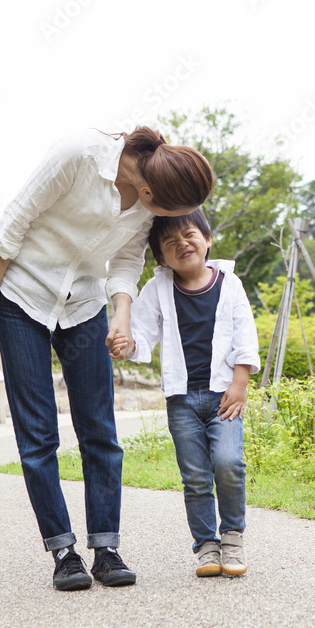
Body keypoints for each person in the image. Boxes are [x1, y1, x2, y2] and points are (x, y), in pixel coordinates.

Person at [0, 127, 214, 591]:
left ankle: (106, 548)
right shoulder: (77, 155)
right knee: (38, 432)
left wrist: (121, 313)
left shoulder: (146, 200)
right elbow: (16, 217)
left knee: (100, 430)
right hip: (22, 295)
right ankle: (63, 551)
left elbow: (125, 260)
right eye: (168, 210)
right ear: (148, 191)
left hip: (83, 303)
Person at [109, 210, 260, 577]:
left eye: (189, 234)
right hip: (182, 400)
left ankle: (233, 536)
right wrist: (126, 342)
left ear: (207, 239)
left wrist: (240, 385)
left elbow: (245, 335)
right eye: (169, 243)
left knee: (228, 464)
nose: (182, 244)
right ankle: (207, 546)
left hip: (224, 396)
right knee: (194, 476)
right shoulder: (159, 287)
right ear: (161, 257)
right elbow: (141, 330)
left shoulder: (229, 284)